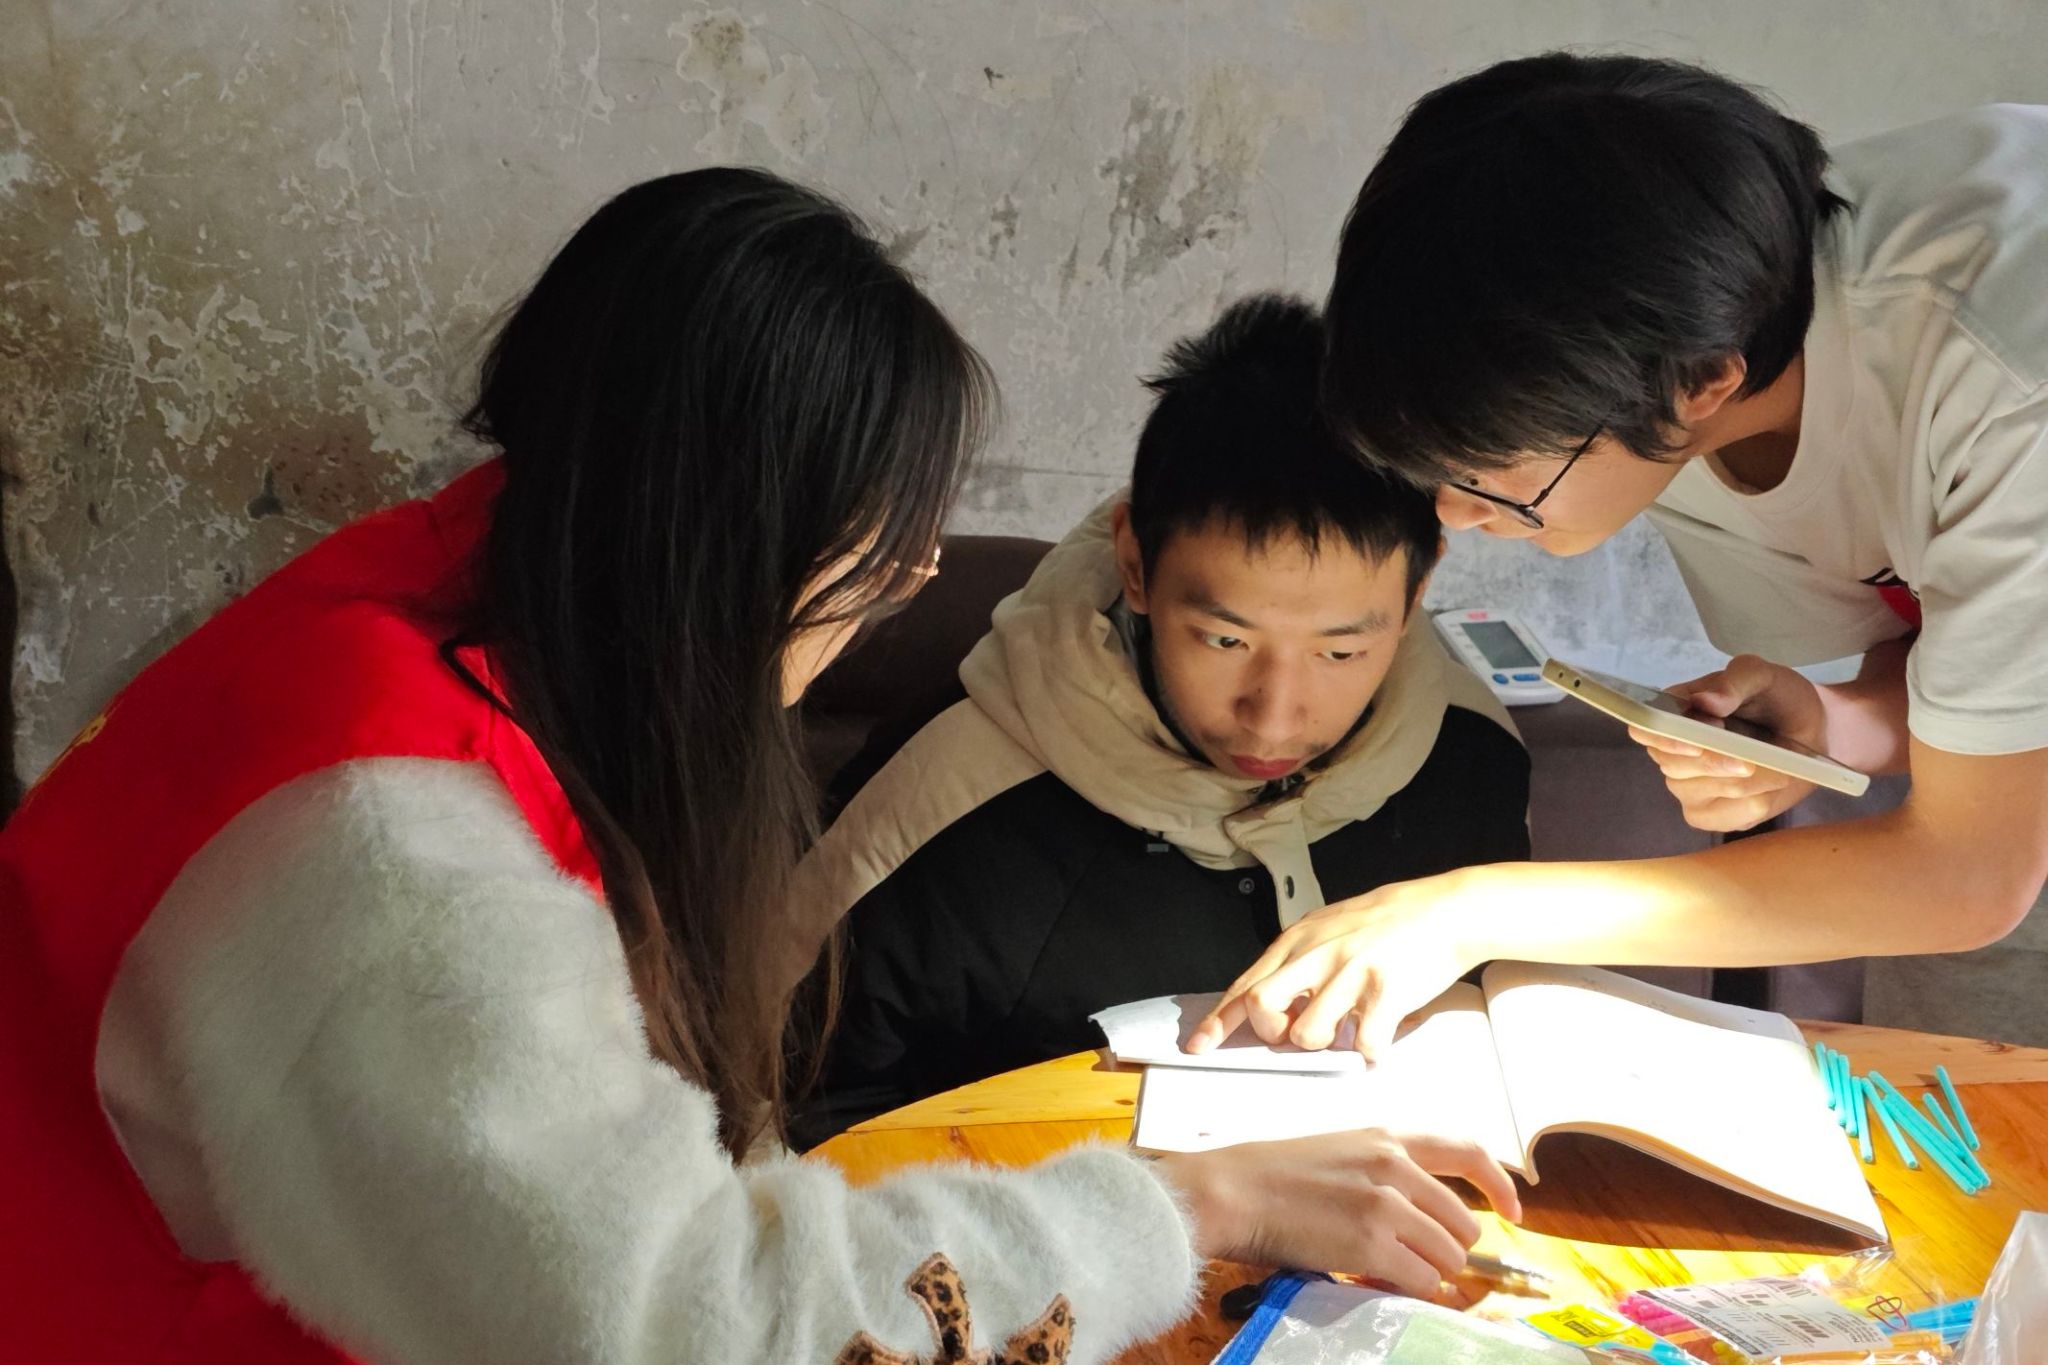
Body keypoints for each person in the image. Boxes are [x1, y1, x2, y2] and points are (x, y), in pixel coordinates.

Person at [0, 168, 1520, 1364]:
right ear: (725, 543)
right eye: (879, 554)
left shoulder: (483, 574)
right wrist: (1200, 1203)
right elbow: (687, 1324)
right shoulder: (397, 852)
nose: (910, 580)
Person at [1192, 54, 2048, 1062]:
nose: (1458, 517)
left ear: (1702, 386)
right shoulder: (1678, 333)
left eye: (1496, 479)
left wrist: (1468, 913)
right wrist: (1833, 724)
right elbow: (1987, 670)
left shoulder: (2005, 384)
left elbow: (1966, 873)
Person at [793, 294, 1529, 1143]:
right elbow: (785, 1121)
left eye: (1339, 652)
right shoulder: (945, 805)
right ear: (1135, 564)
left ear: (1418, 589)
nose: (1273, 717)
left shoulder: (1470, 759)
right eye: (1225, 639)